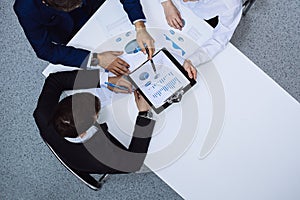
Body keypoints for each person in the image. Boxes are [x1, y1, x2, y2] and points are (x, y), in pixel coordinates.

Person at [33, 69, 156, 173]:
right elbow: (133, 164)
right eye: (96, 113)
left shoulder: (42, 116)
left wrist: (105, 80)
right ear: (83, 133)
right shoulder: (99, 158)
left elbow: (55, 80)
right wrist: (144, 114)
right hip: (116, 154)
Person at [14, 0, 155, 75]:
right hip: (74, 33)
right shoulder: (26, 8)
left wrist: (139, 25)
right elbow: (46, 51)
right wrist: (96, 59)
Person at [160, 0, 243, 65]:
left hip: (202, 21)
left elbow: (219, 40)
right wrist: (166, 3)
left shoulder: (231, 4)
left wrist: (193, 60)